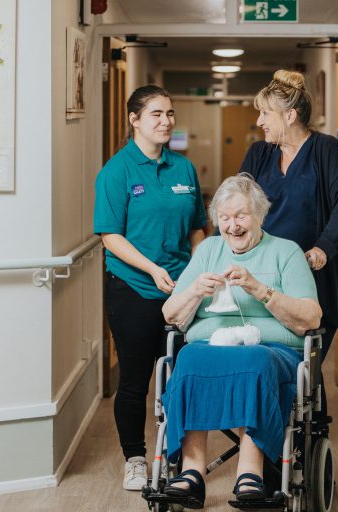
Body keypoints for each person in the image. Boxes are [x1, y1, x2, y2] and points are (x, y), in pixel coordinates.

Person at [159, 174, 322, 508]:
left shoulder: (285, 253)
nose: (232, 226)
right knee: (188, 358)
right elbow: (170, 314)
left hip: (271, 353)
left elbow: (311, 318)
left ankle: (250, 472)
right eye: (224, 218)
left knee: (254, 361)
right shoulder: (207, 251)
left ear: (260, 216)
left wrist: (259, 290)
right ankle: (191, 472)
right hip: (211, 348)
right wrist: (193, 291)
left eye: (241, 216)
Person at [93, 85, 206, 491]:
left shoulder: (184, 169)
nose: (166, 121)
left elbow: (197, 226)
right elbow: (110, 235)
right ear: (134, 119)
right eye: (156, 114)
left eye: (170, 113)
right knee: (136, 379)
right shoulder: (117, 171)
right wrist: (153, 269)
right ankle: (136, 458)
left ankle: (176, 454)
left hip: (181, 290)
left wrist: (194, 268)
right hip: (134, 288)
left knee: (180, 374)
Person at [240, 69, 338, 420]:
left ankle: (304, 448)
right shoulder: (259, 154)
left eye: (266, 113)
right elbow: (239, 201)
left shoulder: (326, 150)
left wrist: (322, 249)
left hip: (314, 278)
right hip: (264, 277)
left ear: (289, 115)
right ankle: (270, 452)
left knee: (304, 367)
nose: (259, 121)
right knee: (271, 364)